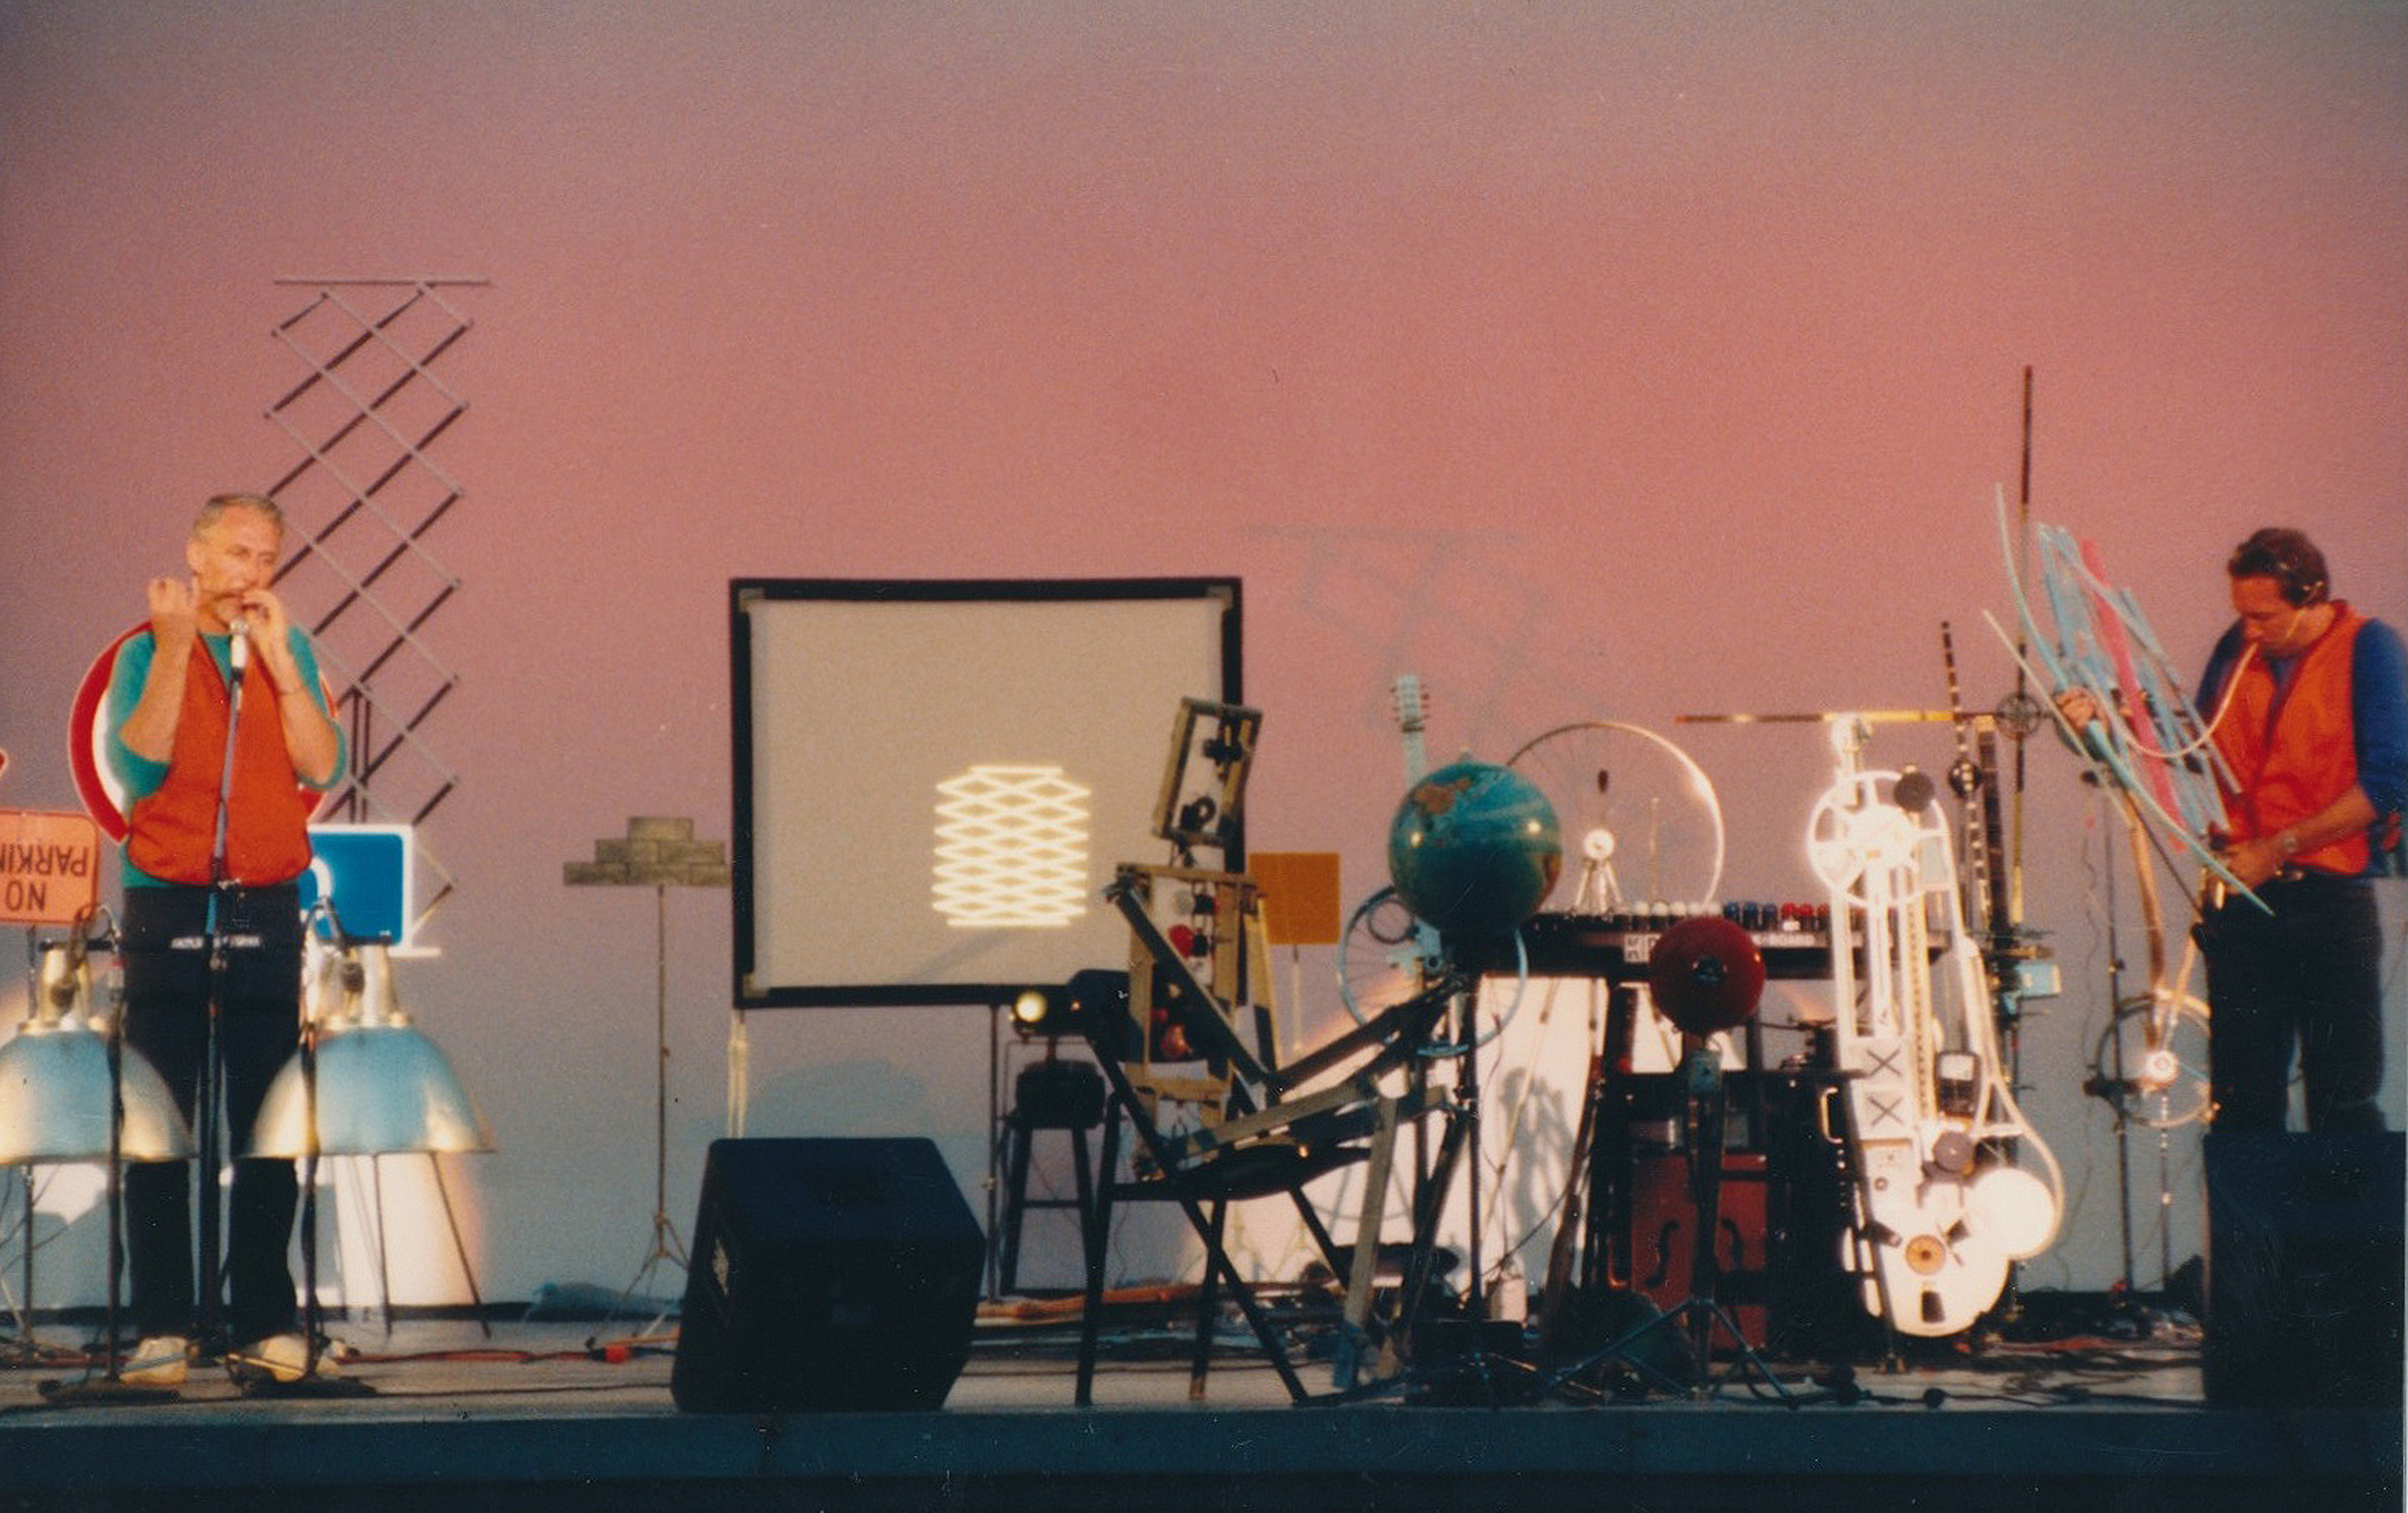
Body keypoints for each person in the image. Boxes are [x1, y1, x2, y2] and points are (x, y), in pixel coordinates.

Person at [102, 493, 345, 1387]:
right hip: (169, 896)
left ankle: (264, 1319)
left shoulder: (287, 650)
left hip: (265, 899)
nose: (256, 572)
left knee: (267, 1119)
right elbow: (140, 760)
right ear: (196, 556)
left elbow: (324, 765)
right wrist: (173, 648)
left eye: (271, 556)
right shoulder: (146, 650)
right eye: (240, 552)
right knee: (162, 1117)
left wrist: (283, 668)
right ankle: (165, 1321)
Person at [2188, 528, 2405, 1133]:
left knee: (2344, 1098)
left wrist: (2276, 847)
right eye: (2243, 615)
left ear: (2311, 599)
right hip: (2245, 904)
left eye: (2265, 616)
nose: (2251, 631)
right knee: (2243, 1101)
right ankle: (2250, 1231)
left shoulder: (2369, 648)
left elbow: (2388, 781)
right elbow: (2196, 745)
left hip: (2329, 904)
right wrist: (2111, 718)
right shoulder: (2238, 651)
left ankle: (2345, 1230)